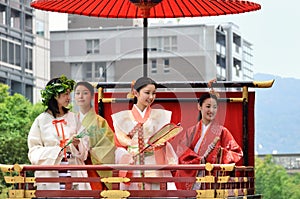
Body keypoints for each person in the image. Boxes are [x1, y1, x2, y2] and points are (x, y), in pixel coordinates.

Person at [111, 77, 178, 190]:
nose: (151, 97)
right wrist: (127, 156)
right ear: (135, 93)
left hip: (154, 165)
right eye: (147, 93)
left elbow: (165, 141)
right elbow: (119, 147)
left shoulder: (161, 116)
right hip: (133, 164)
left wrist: (160, 146)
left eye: (154, 93)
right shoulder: (122, 118)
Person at [27, 75, 91, 190]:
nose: (69, 98)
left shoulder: (74, 118)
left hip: (74, 173)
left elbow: (85, 146)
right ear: (55, 96)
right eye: (65, 94)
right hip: (50, 175)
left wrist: (77, 144)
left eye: (69, 94)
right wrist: (56, 151)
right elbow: (33, 151)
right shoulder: (41, 120)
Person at [172, 92, 243, 190]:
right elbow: (181, 152)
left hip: (213, 179)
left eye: (214, 107)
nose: (211, 110)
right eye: (208, 106)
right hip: (194, 179)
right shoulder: (191, 132)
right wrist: (198, 160)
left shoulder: (222, 132)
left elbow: (237, 153)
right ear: (199, 107)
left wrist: (219, 154)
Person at [74, 81, 115, 190]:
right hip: (74, 166)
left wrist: (88, 151)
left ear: (92, 96)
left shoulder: (100, 122)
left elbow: (108, 146)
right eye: (77, 93)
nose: (81, 96)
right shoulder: (71, 120)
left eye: (85, 93)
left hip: (93, 167)